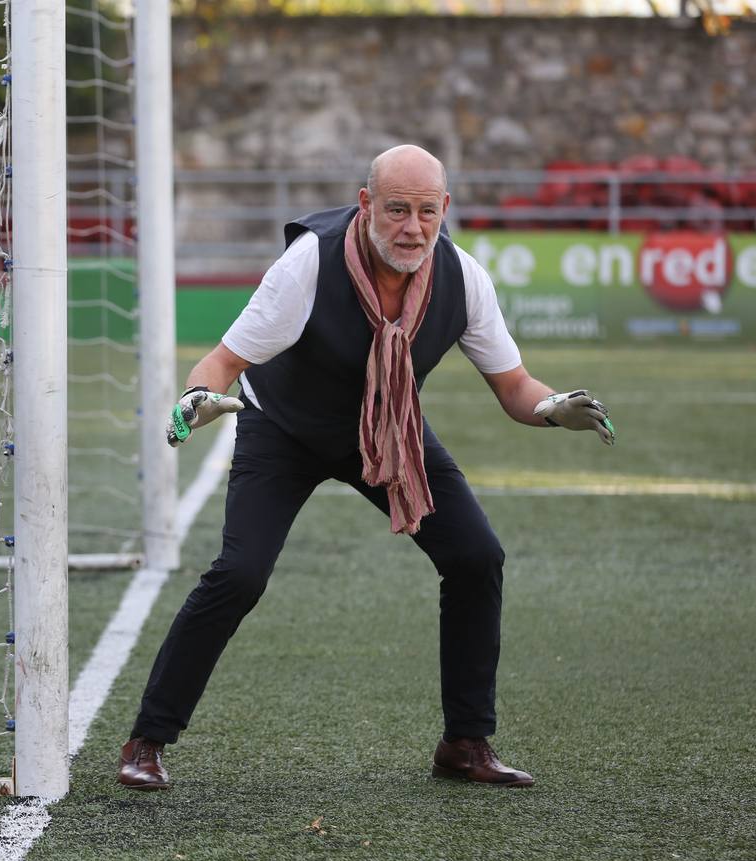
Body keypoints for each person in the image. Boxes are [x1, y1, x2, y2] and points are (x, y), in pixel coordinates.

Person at [118, 145, 614, 791]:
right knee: (239, 574)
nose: (412, 227)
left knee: (475, 556)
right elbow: (221, 364)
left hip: (386, 430)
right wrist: (194, 399)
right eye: (397, 209)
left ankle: (465, 743)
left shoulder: (463, 279)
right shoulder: (307, 267)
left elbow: (515, 386)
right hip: (285, 430)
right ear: (366, 205)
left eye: (426, 212)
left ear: (445, 212)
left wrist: (552, 407)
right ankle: (147, 740)